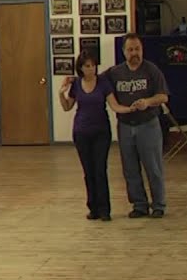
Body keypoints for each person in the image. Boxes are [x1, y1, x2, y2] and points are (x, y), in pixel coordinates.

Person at [100, 33, 169, 218]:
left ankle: (158, 205)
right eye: (130, 49)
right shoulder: (115, 73)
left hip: (148, 125)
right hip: (125, 126)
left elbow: (163, 96)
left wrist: (148, 101)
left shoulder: (151, 70)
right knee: (129, 168)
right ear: (123, 52)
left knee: (153, 167)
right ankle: (139, 205)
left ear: (142, 49)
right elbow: (95, 81)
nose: (134, 53)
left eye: (137, 49)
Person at [59, 50, 132, 221]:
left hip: (101, 132)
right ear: (81, 68)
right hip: (81, 132)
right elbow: (67, 106)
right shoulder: (76, 85)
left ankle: (105, 209)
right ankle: (93, 208)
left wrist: (128, 109)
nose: (90, 69)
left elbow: (114, 105)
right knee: (88, 171)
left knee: (100, 170)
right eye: (87, 66)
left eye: (93, 66)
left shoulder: (103, 83)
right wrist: (60, 93)